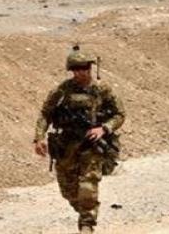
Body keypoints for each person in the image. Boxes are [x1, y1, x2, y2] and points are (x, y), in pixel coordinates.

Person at [34, 47, 126, 234]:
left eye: (84, 68)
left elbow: (120, 114)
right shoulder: (62, 91)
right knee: (68, 190)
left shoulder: (102, 90)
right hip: (66, 145)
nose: (80, 72)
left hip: (90, 145)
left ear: (90, 68)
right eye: (76, 69)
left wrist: (104, 128)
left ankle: (87, 224)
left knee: (88, 184)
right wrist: (39, 138)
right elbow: (46, 114)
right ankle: (84, 211)